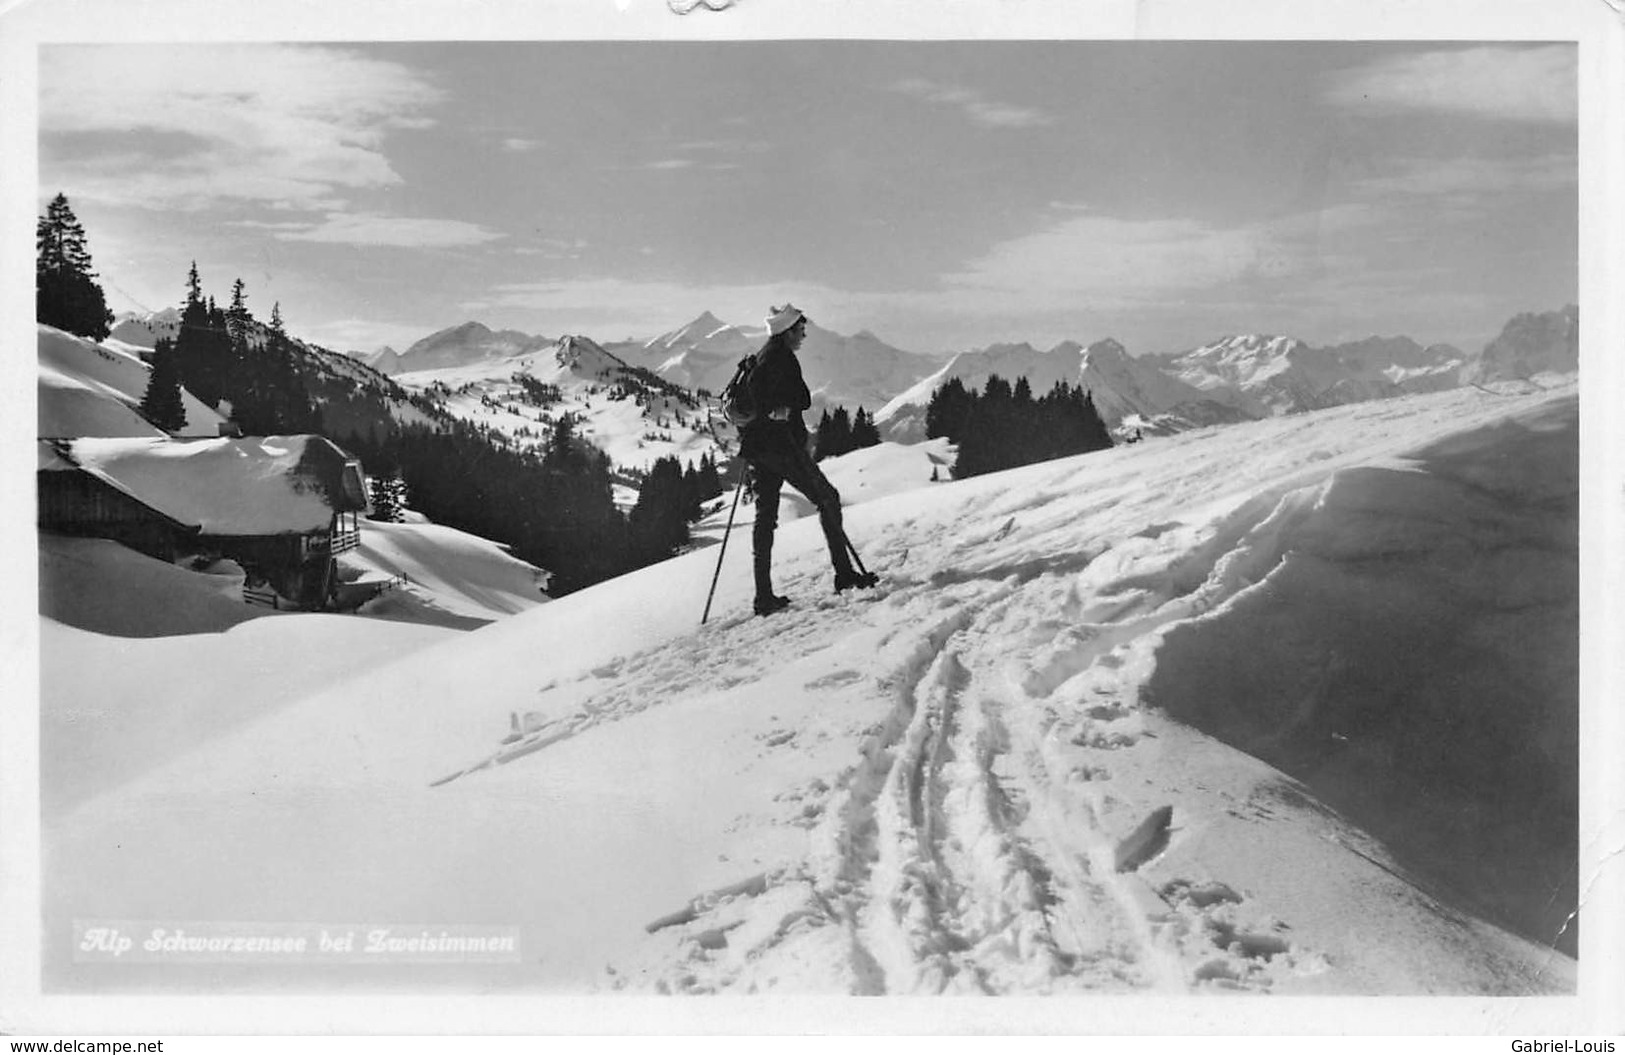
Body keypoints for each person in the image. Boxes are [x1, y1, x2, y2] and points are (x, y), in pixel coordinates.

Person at [738, 303, 876, 616]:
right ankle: (844, 574)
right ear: (787, 331)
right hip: (782, 447)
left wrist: (773, 409)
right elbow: (798, 398)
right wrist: (781, 409)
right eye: (800, 329)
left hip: (758, 448)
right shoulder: (779, 357)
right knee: (828, 498)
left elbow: (760, 395)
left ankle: (764, 596)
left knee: (765, 518)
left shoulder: (765, 354)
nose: (804, 334)